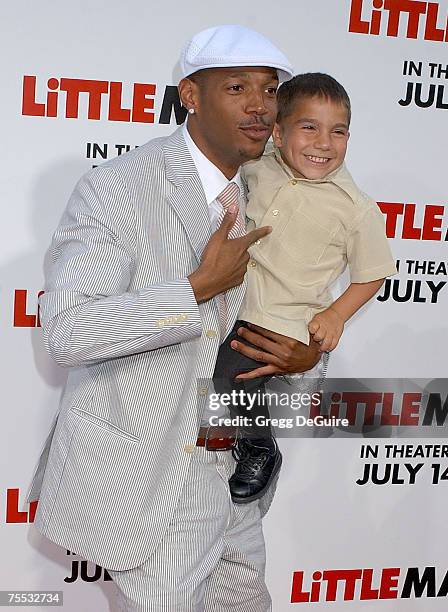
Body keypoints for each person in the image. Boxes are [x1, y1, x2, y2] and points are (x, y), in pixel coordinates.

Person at [27, 25, 321, 611]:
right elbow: (66, 330)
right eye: (238, 87)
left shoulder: (275, 196)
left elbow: (279, 329)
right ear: (190, 95)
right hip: (149, 483)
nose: (260, 106)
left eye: (269, 90)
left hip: (233, 478)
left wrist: (307, 359)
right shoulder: (122, 187)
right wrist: (194, 291)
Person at [213, 72, 397, 503]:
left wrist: (335, 315)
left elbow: (373, 271)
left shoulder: (356, 208)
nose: (324, 143)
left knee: (227, 374)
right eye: (308, 127)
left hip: (284, 322)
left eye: (338, 132)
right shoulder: (256, 168)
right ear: (278, 131)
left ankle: (260, 446)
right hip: (231, 305)